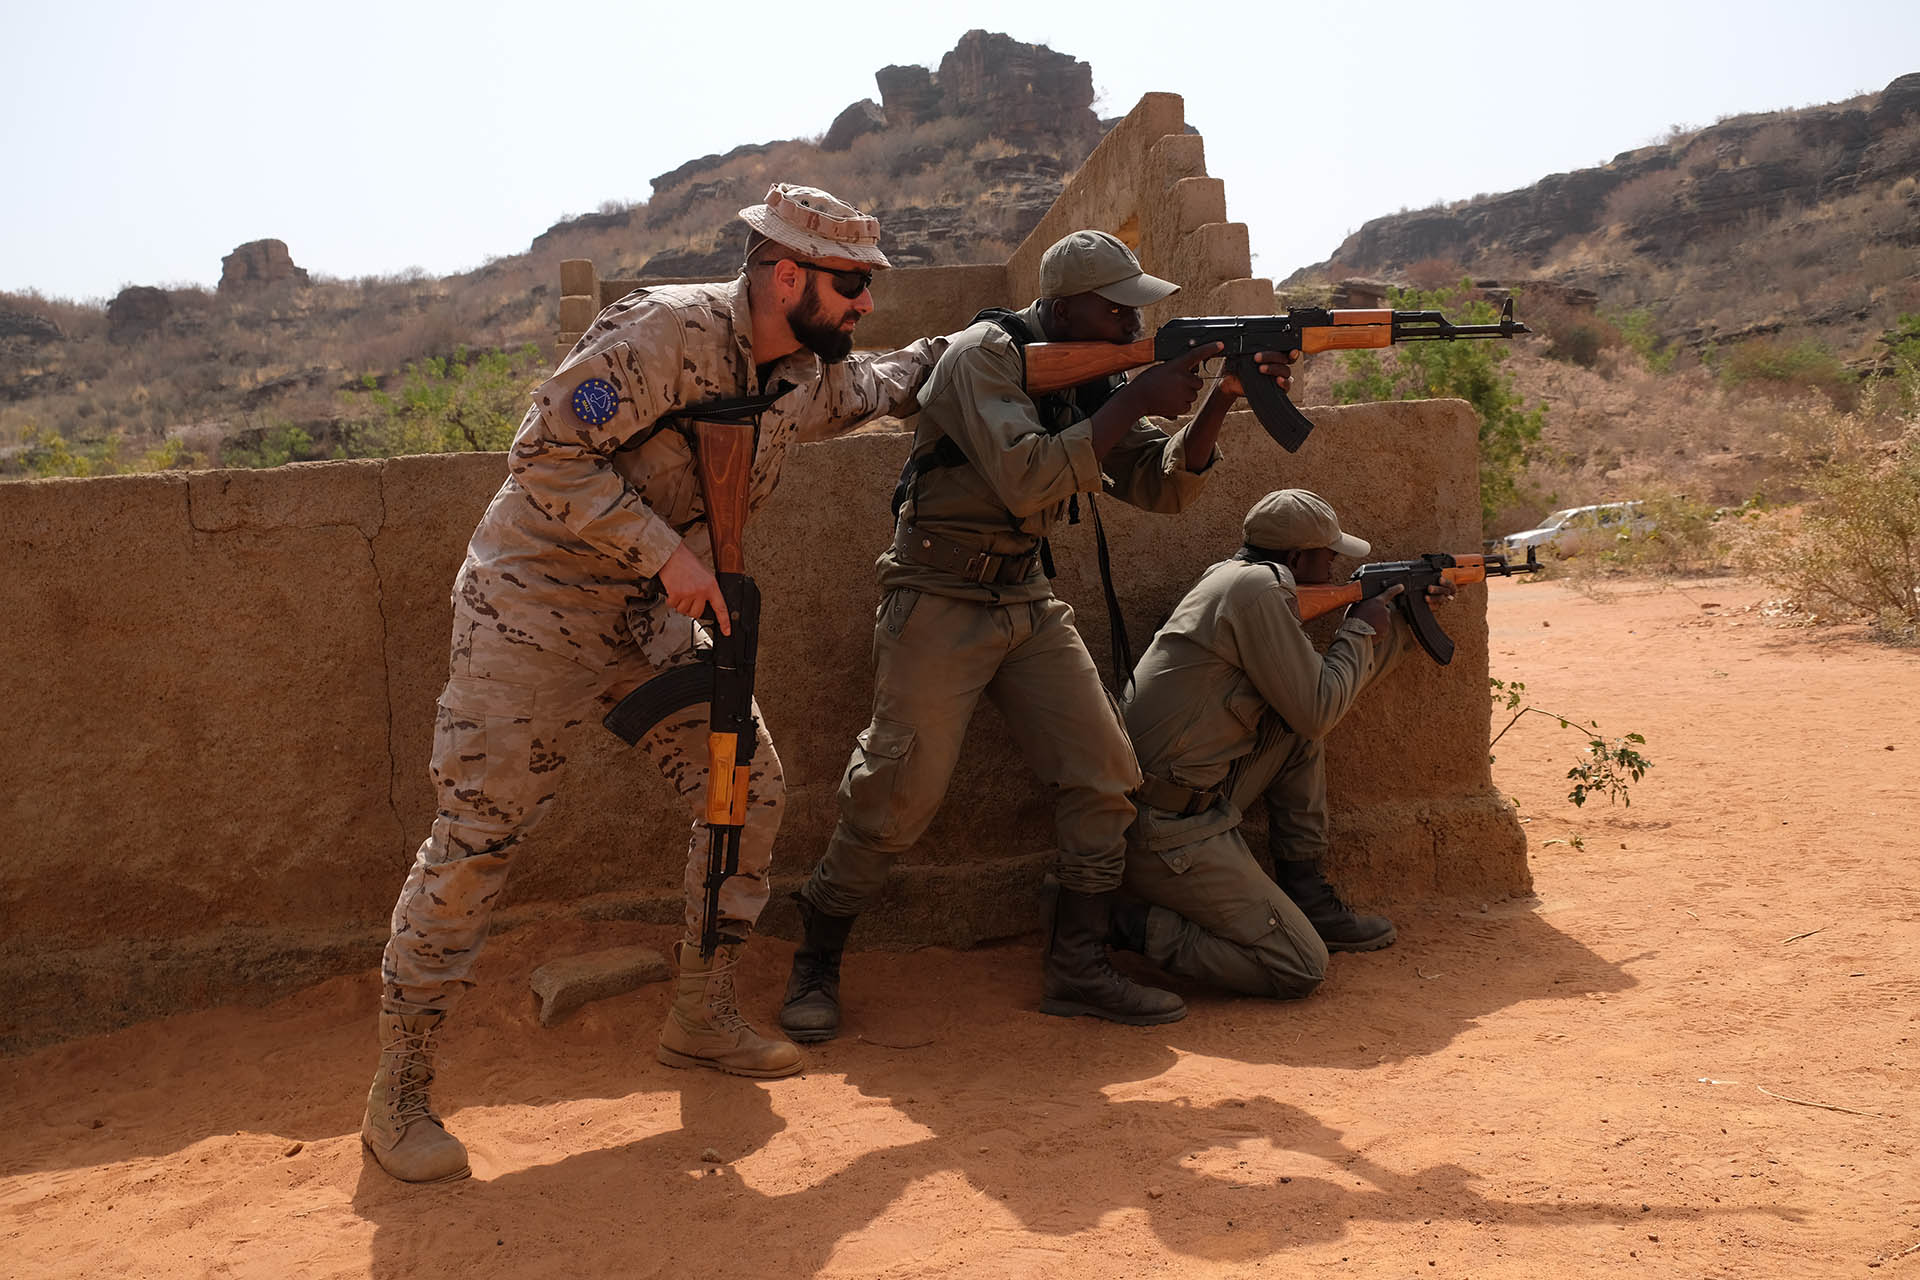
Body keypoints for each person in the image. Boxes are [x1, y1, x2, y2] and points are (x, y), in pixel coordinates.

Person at [363, 184, 948, 1184]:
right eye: (852, 285)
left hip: (653, 625)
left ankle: (701, 1012)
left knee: (745, 787)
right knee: (476, 837)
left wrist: (982, 347)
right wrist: (665, 553)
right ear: (788, 275)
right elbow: (544, 452)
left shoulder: (799, 375)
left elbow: (879, 385)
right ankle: (400, 1087)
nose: (865, 305)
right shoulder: (662, 334)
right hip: (531, 614)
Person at [778, 230, 1294, 1040]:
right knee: (897, 793)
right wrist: (1134, 393)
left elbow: (1160, 488)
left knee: (1106, 775)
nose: (1131, 328)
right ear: (1062, 308)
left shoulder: (1091, 375)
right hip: (939, 594)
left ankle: (1077, 966)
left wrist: (1219, 399)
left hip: (1024, 594)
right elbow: (1029, 478)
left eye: (1137, 315)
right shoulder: (982, 357)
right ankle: (816, 955)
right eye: (1117, 313)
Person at [1114, 489, 1454, 999]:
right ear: (1296, 558)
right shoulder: (1259, 590)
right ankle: (1121, 923)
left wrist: (1399, 621)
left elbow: (1315, 706)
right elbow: (1319, 708)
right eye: (1328, 555)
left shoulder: (1230, 577)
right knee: (1299, 966)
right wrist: (1358, 629)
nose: (1335, 564)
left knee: (1294, 731)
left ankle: (1306, 892)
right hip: (1165, 826)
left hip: (1179, 797)